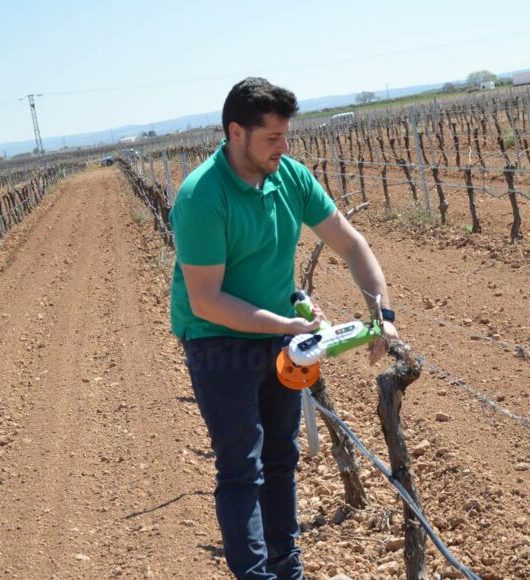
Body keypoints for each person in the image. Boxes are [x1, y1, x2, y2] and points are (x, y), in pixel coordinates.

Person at [168, 77, 399, 579]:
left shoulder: (290, 176)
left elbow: (351, 244)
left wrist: (383, 317)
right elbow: (207, 300)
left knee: (280, 458)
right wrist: (286, 323)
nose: (283, 147)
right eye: (272, 138)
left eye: (285, 136)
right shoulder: (201, 197)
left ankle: (287, 570)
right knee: (240, 468)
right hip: (217, 341)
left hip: (277, 336)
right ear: (236, 133)